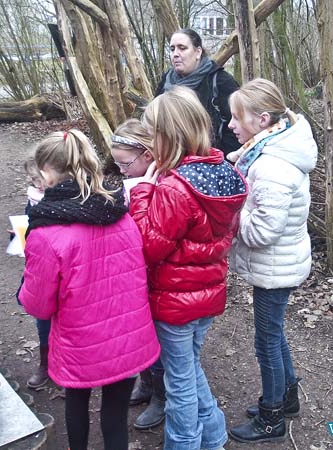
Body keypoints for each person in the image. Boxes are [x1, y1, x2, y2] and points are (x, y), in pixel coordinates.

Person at [18, 129, 160, 450]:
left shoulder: (44, 233)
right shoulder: (120, 213)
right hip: (127, 336)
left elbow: (39, 305)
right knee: (115, 414)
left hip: (80, 341)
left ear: (45, 174)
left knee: (76, 405)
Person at [129, 86, 248, 450]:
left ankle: (183, 444)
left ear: (167, 136)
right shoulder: (224, 173)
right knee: (190, 371)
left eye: (152, 135)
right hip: (207, 297)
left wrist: (141, 194)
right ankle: (213, 438)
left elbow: (147, 247)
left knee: (179, 384)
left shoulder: (174, 189)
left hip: (174, 304)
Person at [225, 78, 318, 443]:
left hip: (276, 268)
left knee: (266, 341)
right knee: (273, 333)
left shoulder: (272, 167)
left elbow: (262, 232)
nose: (230, 125)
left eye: (237, 117)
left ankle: (271, 418)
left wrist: (232, 211)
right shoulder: (269, 151)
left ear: (262, 120)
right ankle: (287, 397)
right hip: (280, 263)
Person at [110, 119, 166, 429]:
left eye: (124, 163)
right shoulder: (132, 180)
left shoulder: (162, 184)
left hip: (156, 276)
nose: (119, 169)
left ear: (147, 155)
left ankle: (162, 394)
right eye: (116, 162)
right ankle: (146, 383)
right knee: (138, 333)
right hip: (133, 274)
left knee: (155, 337)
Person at [155, 28, 240, 157]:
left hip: (210, 161)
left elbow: (235, 127)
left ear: (198, 52)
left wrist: (220, 162)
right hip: (171, 159)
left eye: (182, 48)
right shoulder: (166, 81)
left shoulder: (221, 82)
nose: (175, 54)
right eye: (172, 49)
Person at [19, 159, 52, 389]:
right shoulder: (33, 198)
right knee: (43, 318)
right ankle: (45, 362)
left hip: (59, 264)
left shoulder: (67, 197)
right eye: (33, 180)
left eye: (40, 179)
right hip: (39, 267)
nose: (37, 185)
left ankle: (62, 363)